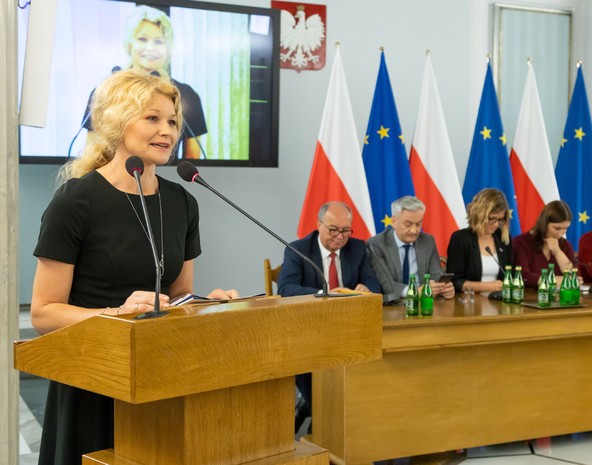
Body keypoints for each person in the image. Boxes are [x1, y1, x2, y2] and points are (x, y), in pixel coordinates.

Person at [31, 70, 237, 465]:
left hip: (158, 374)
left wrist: (206, 305)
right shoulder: (76, 201)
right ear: (118, 121)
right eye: (153, 118)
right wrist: (115, 315)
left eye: (173, 121)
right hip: (92, 378)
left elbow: (178, 296)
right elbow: (43, 313)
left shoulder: (182, 202)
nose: (168, 131)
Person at [277, 201, 381, 433]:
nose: (340, 237)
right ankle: (320, 413)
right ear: (319, 225)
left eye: (346, 230)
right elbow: (286, 288)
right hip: (310, 328)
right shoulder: (298, 249)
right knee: (307, 359)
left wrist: (366, 287)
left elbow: (374, 283)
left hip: (348, 328)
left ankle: (347, 417)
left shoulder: (357, 247)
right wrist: (324, 294)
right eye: (334, 230)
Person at [81, 5, 207, 159]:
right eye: (142, 39)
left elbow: (193, 157)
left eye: (159, 41)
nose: (150, 48)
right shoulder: (105, 92)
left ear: (168, 47)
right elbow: (92, 151)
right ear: (129, 44)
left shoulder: (187, 95)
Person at [367, 196, 455, 303]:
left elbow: (436, 275)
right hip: (393, 305)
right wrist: (414, 292)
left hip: (423, 302)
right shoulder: (377, 244)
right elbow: (386, 285)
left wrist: (444, 288)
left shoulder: (427, 241)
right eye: (408, 224)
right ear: (393, 221)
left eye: (418, 224)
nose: (414, 231)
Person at [446, 188, 514, 293]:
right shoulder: (460, 239)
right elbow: (454, 282)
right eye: (492, 218)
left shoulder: (503, 238)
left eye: (500, 220)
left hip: (499, 298)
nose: (496, 224)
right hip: (469, 300)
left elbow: (511, 274)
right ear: (480, 215)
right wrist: (486, 287)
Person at [513, 200, 576, 288]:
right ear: (544, 224)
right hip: (530, 295)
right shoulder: (521, 242)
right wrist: (554, 280)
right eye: (557, 228)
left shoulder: (565, 245)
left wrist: (557, 252)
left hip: (559, 295)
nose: (561, 234)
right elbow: (524, 276)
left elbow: (573, 275)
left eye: (565, 229)